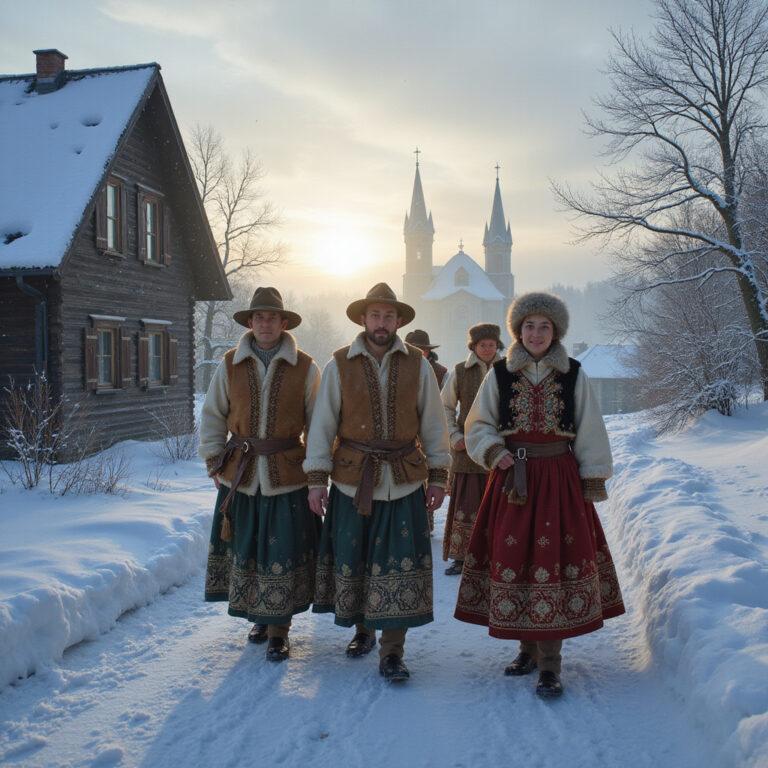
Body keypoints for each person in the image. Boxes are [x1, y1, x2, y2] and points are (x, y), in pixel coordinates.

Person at [454, 291, 625, 697]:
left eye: (544, 326)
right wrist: (493, 451)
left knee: (551, 562)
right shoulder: (499, 374)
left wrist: (591, 479)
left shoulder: (573, 374)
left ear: (556, 331)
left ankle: (550, 664)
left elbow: (590, 427)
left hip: (558, 482)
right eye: (529, 326)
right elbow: (477, 424)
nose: (536, 333)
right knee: (516, 559)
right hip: (512, 480)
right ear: (518, 330)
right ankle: (526, 649)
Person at [304, 282, 450, 682]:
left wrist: (439, 476)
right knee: (357, 560)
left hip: (404, 480)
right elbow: (322, 425)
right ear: (363, 319)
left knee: (398, 566)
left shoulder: (418, 364)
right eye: (375, 315)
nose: (381, 323)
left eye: (388, 316)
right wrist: (316, 479)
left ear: (398, 321)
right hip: (352, 481)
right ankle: (363, 631)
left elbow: (434, 424)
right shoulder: (339, 364)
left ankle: (393, 652)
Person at [199, 287, 322, 662]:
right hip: (241, 475)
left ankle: (279, 629)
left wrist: (317, 473)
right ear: (250, 322)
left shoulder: (305, 367)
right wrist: (214, 461)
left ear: (283, 323)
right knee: (248, 549)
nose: (265, 324)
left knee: (281, 552)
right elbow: (213, 414)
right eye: (259, 317)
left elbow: (318, 425)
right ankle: (258, 616)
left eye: (272, 318)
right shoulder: (229, 364)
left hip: (288, 476)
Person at [441, 323, 504, 575]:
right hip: (466, 450)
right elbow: (445, 406)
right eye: (482, 345)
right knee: (466, 505)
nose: (487, 349)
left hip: (500, 449)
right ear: (473, 346)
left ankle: (498, 555)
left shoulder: (508, 370)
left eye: (491, 345)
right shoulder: (460, 371)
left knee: (499, 504)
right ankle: (462, 557)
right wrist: (454, 435)